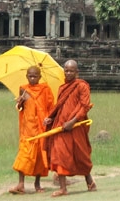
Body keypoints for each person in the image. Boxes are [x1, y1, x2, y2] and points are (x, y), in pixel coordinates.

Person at [44, 59, 96, 197]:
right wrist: (51, 118)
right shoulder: (62, 88)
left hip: (76, 126)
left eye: (71, 71)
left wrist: (72, 122)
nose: (68, 73)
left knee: (80, 154)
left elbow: (85, 106)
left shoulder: (82, 86)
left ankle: (89, 181)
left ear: (76, 72)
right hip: (61, 126)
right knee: (59, 153)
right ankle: (63, 188)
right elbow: (59, 107)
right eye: (66, 70)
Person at [8, 66, 55, 194]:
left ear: (40, 77)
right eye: (30, 76)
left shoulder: (45, 89)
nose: (32, 78)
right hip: (27, 128)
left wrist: (49, 118)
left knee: (39, 156)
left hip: (41, 127)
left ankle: (37, 183)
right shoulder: (23, 89)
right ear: (26, 76)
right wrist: (20, 102)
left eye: (35, 76)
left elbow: (51, 107)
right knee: (24, 155)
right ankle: (21, 184)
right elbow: (20, 108)